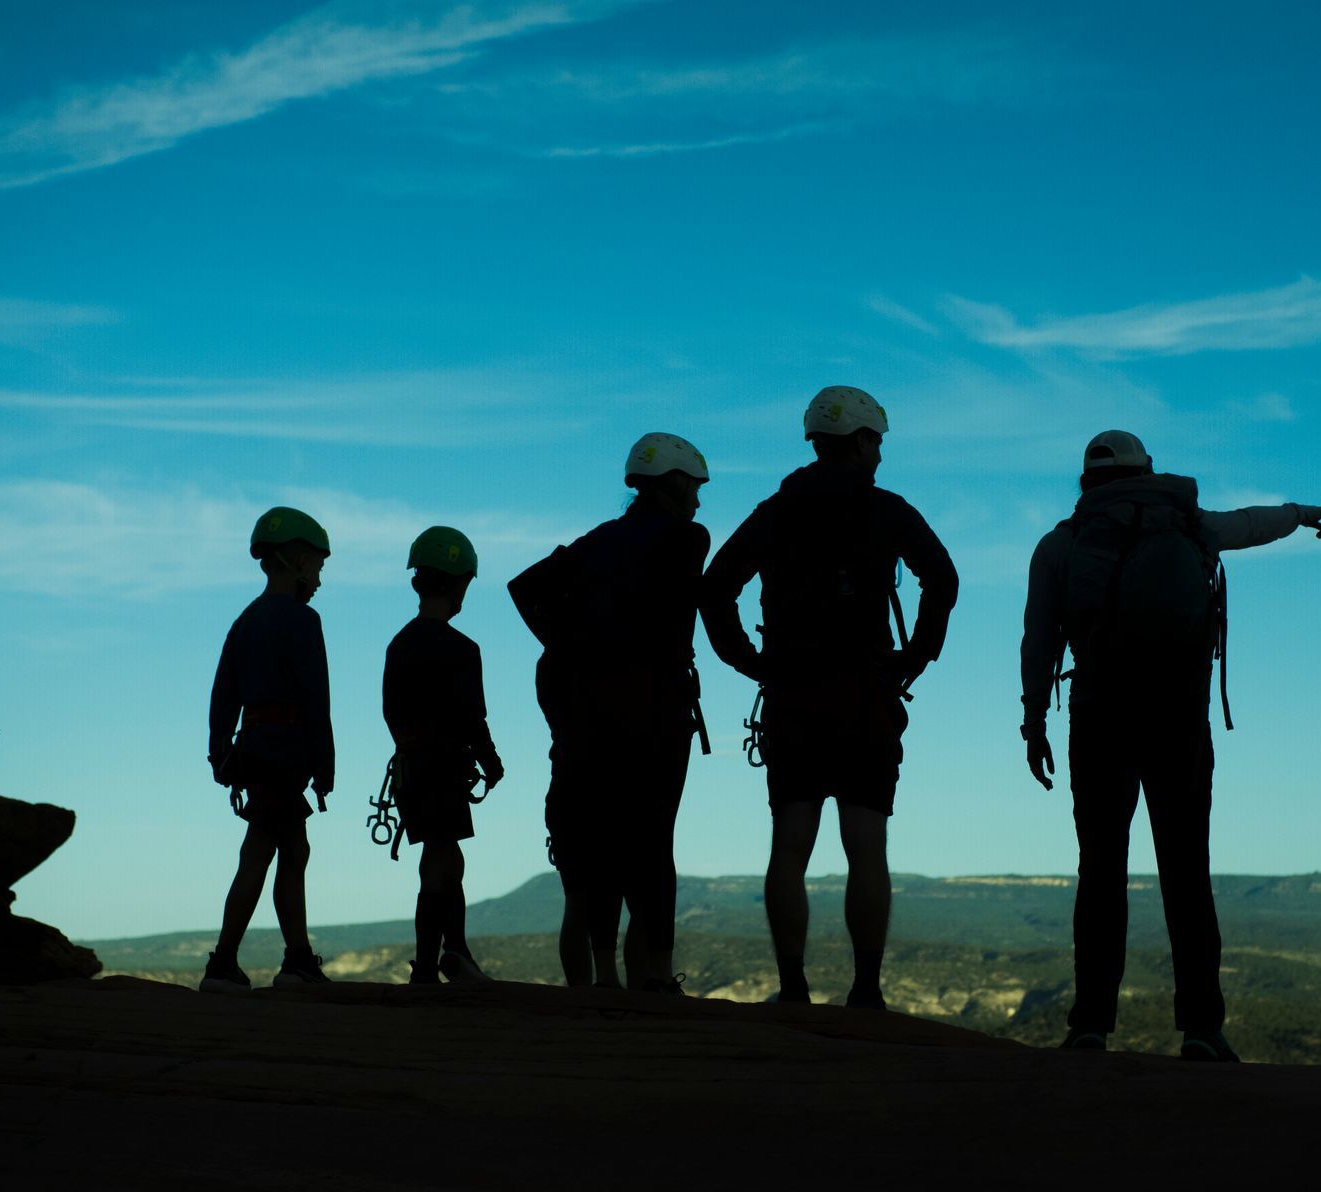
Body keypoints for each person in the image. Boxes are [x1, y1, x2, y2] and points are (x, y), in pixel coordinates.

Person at [1020, 430, 1321, 1059]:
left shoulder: (1062, 543)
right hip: (1178, 719)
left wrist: (1034, 722)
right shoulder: (1193, 526)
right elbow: (1253, 524)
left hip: (1099, 718)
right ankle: (1201, 1028)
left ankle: (1089, 1025)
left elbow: (1039, 641)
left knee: (1102, 872)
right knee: (1187, 872)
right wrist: (1302, 515)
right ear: (1150, 471)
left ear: (1086, 482)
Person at [700, 386, 958, 1010]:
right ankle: (865, 990)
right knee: (865, 843)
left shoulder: (777, 510)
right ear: (864, 440)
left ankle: (793, 989)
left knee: (790, 843)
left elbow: (715, 589)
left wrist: (751, 662)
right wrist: (914, 658)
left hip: (793, 695)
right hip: (866, 696)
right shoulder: (887, 509)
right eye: (878, 443)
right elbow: (942, 579)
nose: (879, 455)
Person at [510, 433, 712, 994]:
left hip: (591, 719)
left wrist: (571, 646)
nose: (698, 497)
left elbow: (525, 588)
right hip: (655, 713)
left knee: (601, 847)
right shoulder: (687, 538)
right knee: (653, 842)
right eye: (694, 485)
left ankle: (606, 977)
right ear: (672, 481)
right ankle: (656, 977)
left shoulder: (597, 543)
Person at [202, 506, 337, 992]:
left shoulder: (244, 622)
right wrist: (326, 766)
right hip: (286, 753)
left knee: (276, 848)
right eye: (318, 566)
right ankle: (274, 963)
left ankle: (272, 960)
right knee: (277, 849)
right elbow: (316, 700)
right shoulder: (304, 620)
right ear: (297, 560)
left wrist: (220, 756)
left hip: (252, 750)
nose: (320, 578)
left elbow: (223, 696)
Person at [383, 526, 506, 985]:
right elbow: (473, 716)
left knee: (442, 856)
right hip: (444, 767)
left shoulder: (399, 645)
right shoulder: (462, 649)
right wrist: (490, 761)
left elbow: (390, 712)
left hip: (412, 768)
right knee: (442, 858)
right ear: (459, 584)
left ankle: (450, 953)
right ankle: (438, 961)